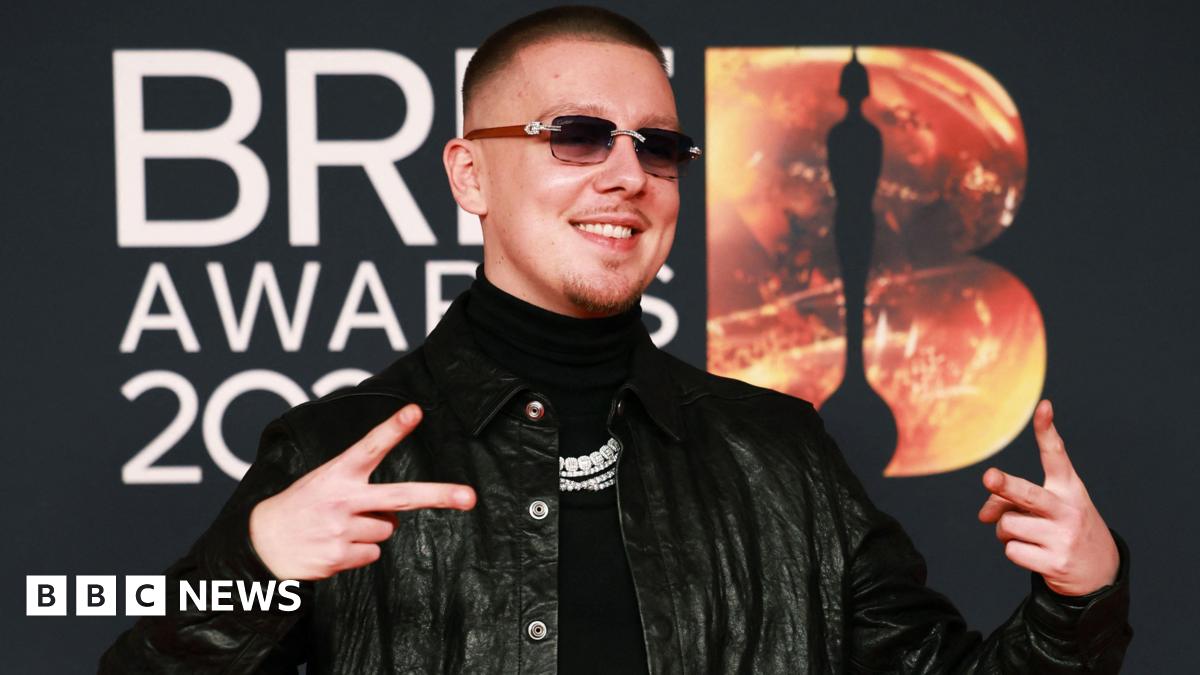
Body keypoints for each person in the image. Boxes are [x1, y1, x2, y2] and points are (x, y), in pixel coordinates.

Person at [101, 6, 1132, 673]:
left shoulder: (782, 457)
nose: (627, 174)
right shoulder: (334, 457)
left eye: (660, 145)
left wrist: (1074, 601)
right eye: (576, 136)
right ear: (469, 177)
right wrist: (253, 567)